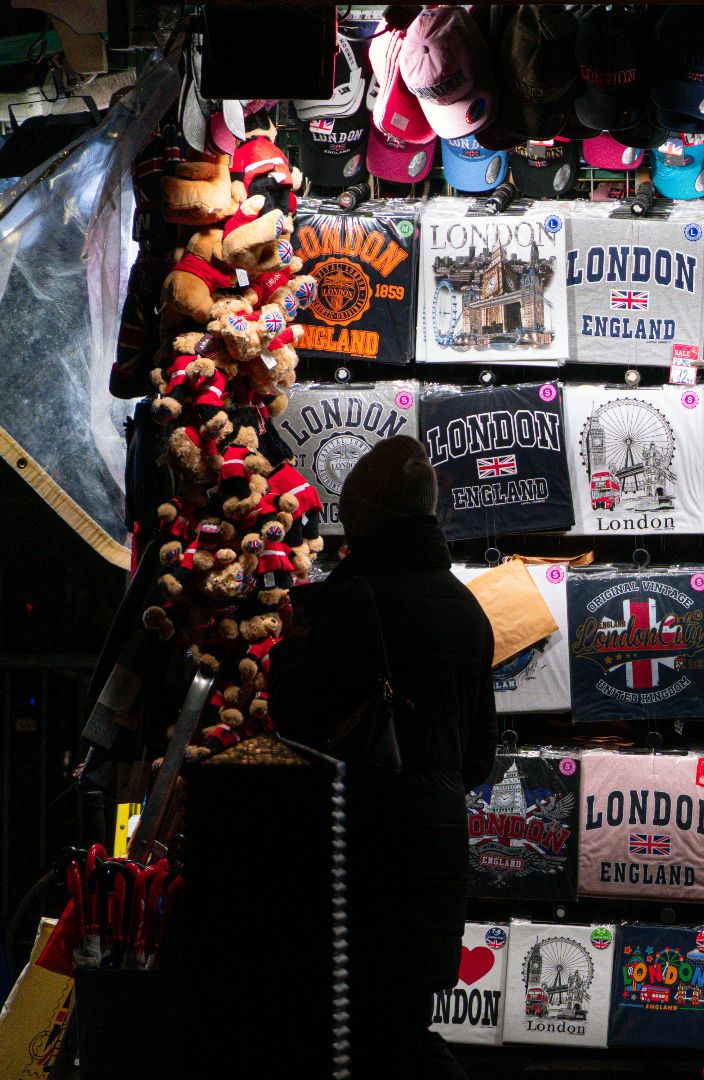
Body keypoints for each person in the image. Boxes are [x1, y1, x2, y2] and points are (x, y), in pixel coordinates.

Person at [272, 436, 498, 1080]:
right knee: (407, 1024)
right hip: (436, 845)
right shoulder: (466, 609)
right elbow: (478, 756)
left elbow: (297, 719)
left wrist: (289, 650)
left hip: (363, 841)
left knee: (357, 1032)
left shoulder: (353, 597)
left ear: (366, 513)